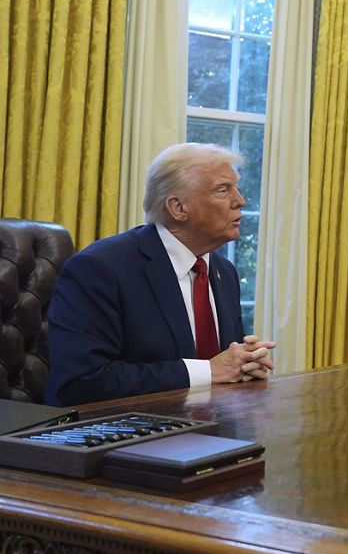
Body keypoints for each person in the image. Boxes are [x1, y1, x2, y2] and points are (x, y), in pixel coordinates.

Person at [44, 143, 276, 407]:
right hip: (118, 434)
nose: (240, 201)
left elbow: (223, 367)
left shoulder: (224, 271)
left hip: (206, 431)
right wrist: (209, 371)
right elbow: (81, 382)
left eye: (236, 187)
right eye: (223, 190)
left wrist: (244, 365)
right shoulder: (99, 269)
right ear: (178, 208)